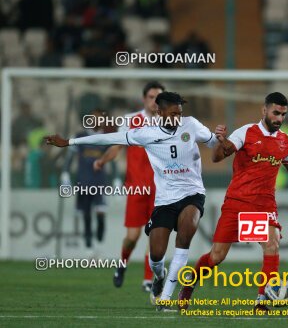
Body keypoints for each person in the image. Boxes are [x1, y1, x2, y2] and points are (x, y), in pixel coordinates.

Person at [45, 91, 221, 311]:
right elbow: (108, 139)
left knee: (183, 242)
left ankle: (165, 299)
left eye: (180, 113)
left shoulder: (191, 125)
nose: (178, 118)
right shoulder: (145, 133)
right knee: (156, 256)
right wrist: (69, 142)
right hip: (165, 199)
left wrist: (220, 138)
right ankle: (159, 276)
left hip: (193, 193)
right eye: (173, 113)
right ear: (160, 111)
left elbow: (214, 142)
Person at [178, 92, 288, 313]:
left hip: (263, 205)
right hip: (237, 202)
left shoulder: (285, 141)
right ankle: (188, 286)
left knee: (272, 245)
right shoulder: (246, 132)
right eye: (275, 113)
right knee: (216, 257)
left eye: (283, 114)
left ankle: (261, 301)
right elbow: (217, 157)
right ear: (264, 111)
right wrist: (221, 142)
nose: (279, 118)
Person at [93, 81, 163, 292]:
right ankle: (122, 265)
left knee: (156, 235)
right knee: (132, 237)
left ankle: (148, 279)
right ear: (144, 99)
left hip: (161, 190)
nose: (154, 101)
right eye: (151, 97)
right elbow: (117, 146)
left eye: (158, 98)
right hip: (137, 188)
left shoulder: (168, 122)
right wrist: (102, 161)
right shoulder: (131, 120)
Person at [61, 109, 115, 255]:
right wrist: (65, 173)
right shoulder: (79, 136)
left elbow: (112, 158)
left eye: (99, 119)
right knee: (85, 214)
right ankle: (88, 243)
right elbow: (70, 156)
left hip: (100, 182)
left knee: (100, 212)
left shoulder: (107, 138)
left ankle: (100, 229)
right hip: (83, 181)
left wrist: (116, 178)